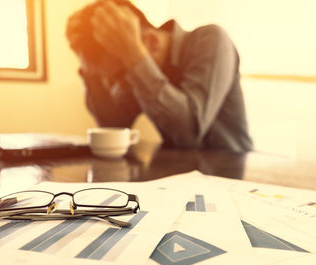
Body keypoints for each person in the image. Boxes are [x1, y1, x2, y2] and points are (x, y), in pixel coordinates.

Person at [66, 0, 253, 152]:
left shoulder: (211, 40)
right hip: (179, 177)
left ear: (152, 41)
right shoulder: (133, 63)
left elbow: (188, 133)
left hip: (232, 177)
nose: (118, 87)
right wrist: (89, 73)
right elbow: (113, 124)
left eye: (121, 74)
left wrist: (134, 57)